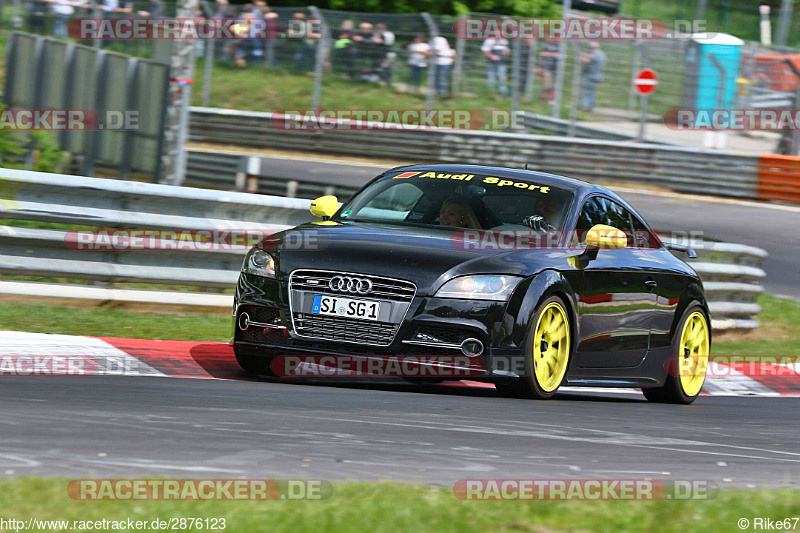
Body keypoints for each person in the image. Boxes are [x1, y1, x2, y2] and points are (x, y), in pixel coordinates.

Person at [580, 41, 606, 111]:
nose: (590, 48)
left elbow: (586, 60)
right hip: (596, 75)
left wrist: (581, 54)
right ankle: (590, 106)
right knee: (591, 91)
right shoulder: (601, 54)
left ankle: (586, 106)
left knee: (587, 91)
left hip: (591, 76)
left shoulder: (597, 54)